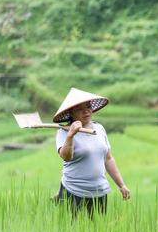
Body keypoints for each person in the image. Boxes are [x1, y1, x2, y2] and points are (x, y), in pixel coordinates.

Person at [54, 87, 130, 217]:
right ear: (71, 113)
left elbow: (108, 159)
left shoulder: (99, 129)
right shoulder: (63, 132)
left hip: (99, 191)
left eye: (88, 106)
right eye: (79, 109)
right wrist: (71, 135)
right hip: (73, 190)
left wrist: (121, 185)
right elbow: (66, 157)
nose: (86, 111)